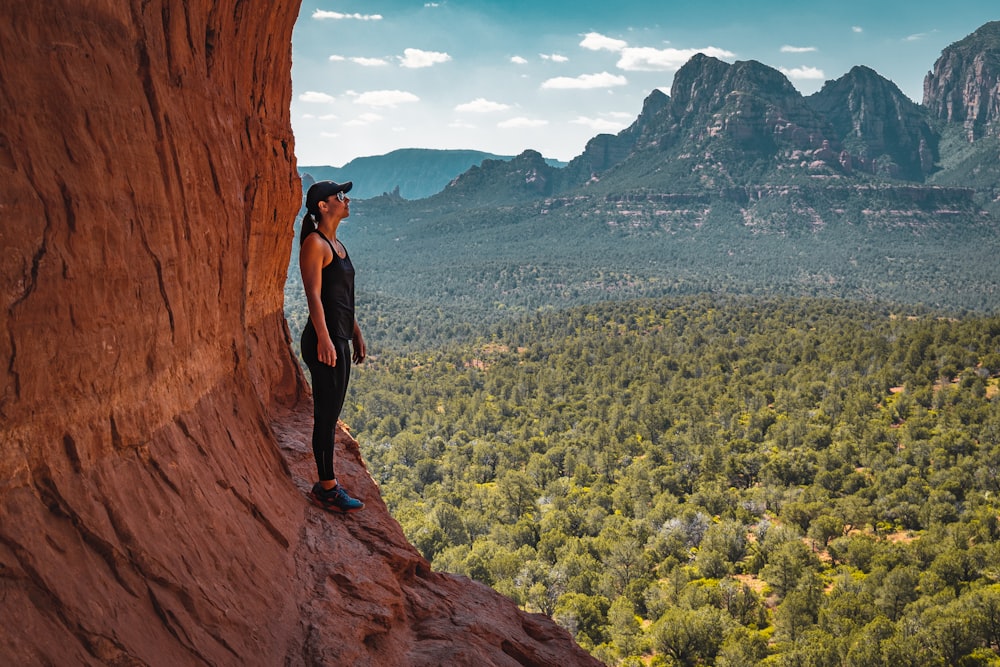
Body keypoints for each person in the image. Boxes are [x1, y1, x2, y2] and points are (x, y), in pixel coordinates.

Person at [299, 180, 366, 512]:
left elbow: (342, 298)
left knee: (332, 412)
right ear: (322, 206)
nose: (346, 199)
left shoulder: (338, 245)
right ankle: (326, 488)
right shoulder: (316, 243)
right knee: (325, 417)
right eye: (339, 196)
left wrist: (355, 331)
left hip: (339, 338)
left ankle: (328, 483)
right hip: (323, 340)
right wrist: (325, 338)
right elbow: (313, 294)